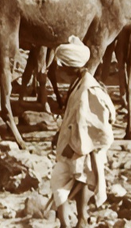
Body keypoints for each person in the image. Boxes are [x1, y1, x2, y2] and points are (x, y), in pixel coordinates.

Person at [48, 36, 115, 228]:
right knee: (63, 181)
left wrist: (75, 147)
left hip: (84, 148)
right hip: (75, 145)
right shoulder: (79, 83)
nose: (58, 69)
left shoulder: (88, 89)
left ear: (70, 67)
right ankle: (68, 222)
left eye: (61, 66)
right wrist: (60, 134)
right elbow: (75, 118)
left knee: (80, 179)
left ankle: (79, 220)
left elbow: (95, 125)